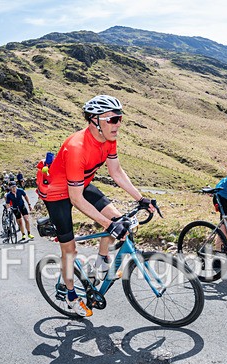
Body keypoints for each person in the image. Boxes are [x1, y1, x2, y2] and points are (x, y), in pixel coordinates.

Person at [37, 94, 156, 317]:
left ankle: (102, 261)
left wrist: (141, 199)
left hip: (82, 184)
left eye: (119, 118)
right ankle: (71, 296)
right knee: (70, 250)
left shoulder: (109, 140)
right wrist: (107, 224)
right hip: (58, 194)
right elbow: (76, 199)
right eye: (112, 119)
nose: (118, 124)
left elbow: (116, 172)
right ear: (94, 120)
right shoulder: (76, 148)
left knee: (120, 219)